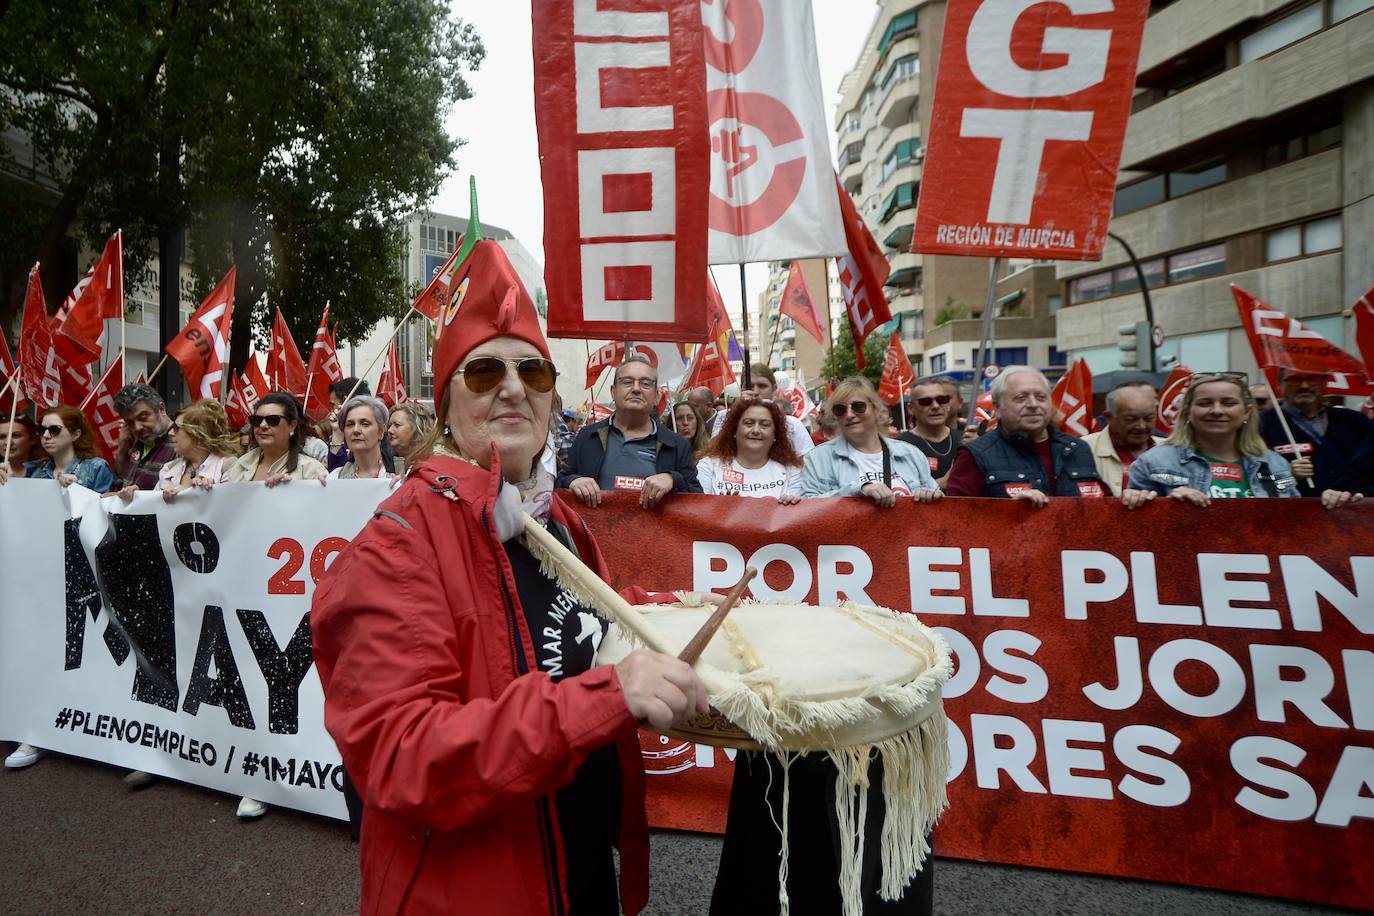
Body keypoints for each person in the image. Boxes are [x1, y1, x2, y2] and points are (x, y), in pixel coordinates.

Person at [310, 237, 710, 914]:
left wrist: (689, 611)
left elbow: (590, 623)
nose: (514, 387)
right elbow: (402, 753)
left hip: (578, 872)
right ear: (444, 404)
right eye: (484, 373)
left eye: (535, 372)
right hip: (474, 889)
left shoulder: (555, 519)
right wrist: (607, 698)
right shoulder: (395, 546)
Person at [1124, 372, 1361, 509]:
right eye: (1205, 403)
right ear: (1188, 413)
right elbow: (1135, 533)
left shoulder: (1273, 465)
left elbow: (1289, 521)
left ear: (1246, 413)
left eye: (1228, 403)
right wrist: (1165, 508)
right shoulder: (1155, 463)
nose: (1216, 411)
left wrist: (1335, 505)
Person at [558, 353, 703, 508]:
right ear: (613, 391)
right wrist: (572, 481)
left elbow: (698, 501)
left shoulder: (676, 445)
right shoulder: (588, 436)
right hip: (594, 531)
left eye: (645, 384)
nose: (636, 389)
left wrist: (673, 480)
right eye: (627, 382)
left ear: (656, 396)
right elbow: (559, 483)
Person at [945, 366, 1106, 505]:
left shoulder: (1078, 448)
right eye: (1021, 398)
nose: (1033, 404)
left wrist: (1126, 500)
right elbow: (956, 521)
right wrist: (1011, 512)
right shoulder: (975, 455)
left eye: (1041, 397)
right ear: (997, 408)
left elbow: (1104, 511)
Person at [801, 376, 941, 507]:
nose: (849, 415)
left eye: (858, 406)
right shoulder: (817, 458)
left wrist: (931, 496)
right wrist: (858, 490)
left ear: (875, 409)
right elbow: (808, 507)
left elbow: (940, 506)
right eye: (840, 409)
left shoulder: (910, 454)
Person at [1260, 369, 1374, 497]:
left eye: (1313, 379)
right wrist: (1290, 477)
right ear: (1279, 385)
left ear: (1325, 383)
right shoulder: (1261, 426)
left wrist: (1356, 493)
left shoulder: (1355, 422)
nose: (1304, 386)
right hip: (1292, 514)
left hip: (1351, 512)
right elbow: (1261, 488)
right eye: (1294, 379)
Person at [697, 398, 803, 502]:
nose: (756, 430)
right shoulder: (709, 466)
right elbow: (699, 510)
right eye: (749, 423)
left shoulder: (792, 471)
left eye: (765, 425)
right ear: (734, 430)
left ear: (775, 434)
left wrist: (791, 506)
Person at [711, 363, 814, 458]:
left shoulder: (792, 424)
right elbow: (714, 452)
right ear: (741, 389)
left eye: (762, 386)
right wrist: (735, 415)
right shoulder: (725, 417)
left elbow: (809, 461)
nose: (755, 392)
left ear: (774, 389)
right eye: (749, 386)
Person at [1078, 382, 1162, 496]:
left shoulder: (1171, 450)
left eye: (1148, 418)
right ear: (1108, 417)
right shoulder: (1083, 449)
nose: (1141, 426)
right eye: (1131, 419)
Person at [227, 392, 328, 484]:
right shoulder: (241, 464)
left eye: (272, 420)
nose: (263, 425)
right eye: (257, 420)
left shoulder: (311, 471)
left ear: (292, 425)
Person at [157, 400, 240, 498]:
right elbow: (152, 507)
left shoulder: (228, 467)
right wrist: (136, 495)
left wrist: (207, 493)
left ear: (198, 434)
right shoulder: (169, 468)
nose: (170, 433)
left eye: (176, 428)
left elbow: (235, 507)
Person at [111, 383, 176, 495]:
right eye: (130, 423)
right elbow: (119, 482)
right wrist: (122, 449)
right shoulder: (131, 442)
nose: (137, 427)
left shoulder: (181, 443)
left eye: (143, 418)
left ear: (161, 409)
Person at [898, 376, 963, 488]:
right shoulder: (899, 446)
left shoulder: (966, 440)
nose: (935, 406)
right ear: (910, 408)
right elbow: (900, 490)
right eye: (925, 402)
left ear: (948, 404)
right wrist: (942, 483)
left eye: (941, 400)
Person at [328, 396, 394, 480]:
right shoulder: (335, 478)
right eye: (350, 424)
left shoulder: (399, 476)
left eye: (365, 424)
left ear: (381, 431)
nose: (356, 430)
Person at [387, 401, 436, 467]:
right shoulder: (385, 464)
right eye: (389, 425)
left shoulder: (433, 463)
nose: (390, 430)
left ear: (417, 427)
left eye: (397, 425)